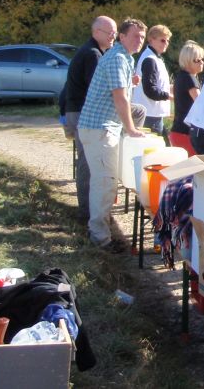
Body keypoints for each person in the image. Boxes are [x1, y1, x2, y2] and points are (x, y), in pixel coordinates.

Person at [78, 18, 147, 252]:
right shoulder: (117, 58)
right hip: (99, 128)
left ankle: (101, 232)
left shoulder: (125, 58)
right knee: (104, 183)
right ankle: (100, 239)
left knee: (106, 182)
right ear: (122, 37)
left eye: (142, 37)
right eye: (135, 36)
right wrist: (131, 129)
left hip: (103, 127)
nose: (139, 40)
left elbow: (121, 93)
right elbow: (120, 98)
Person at [62, 16, 118, 222]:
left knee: (88, 161)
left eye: (115, 32)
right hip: (81, 112)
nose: (113, 36)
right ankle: (86, 213)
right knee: (88, 163)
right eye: (109, 32)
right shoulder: (92, 54)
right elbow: (99, 89)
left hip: (76, 110)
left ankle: (88, 210)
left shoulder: (93, 51)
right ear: (96, 32)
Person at [132, 25, 173, 136]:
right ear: (151, 39)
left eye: (167, 41)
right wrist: (171, 97)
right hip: (149, 115)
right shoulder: (150, 59)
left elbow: (158, 84)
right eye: (162, 40)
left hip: (153, 114)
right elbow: (150, 90)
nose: (166, 43)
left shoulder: (155, 58)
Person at [169, 41, 204, 155]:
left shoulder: (181, 77)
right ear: (188, 61)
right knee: (195, 165)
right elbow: (201, 103)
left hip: (178, 131)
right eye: (197, 60)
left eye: (202, 59)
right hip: (185, 132)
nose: (202, 62)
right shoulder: (190, 79)